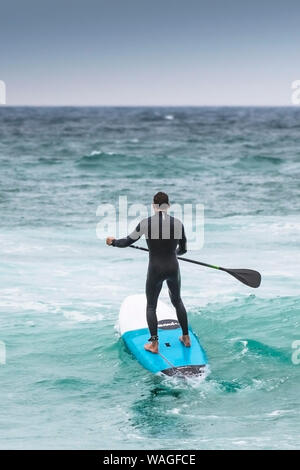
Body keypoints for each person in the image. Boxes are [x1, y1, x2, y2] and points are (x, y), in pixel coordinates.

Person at [106, 192, 191, 354]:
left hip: (156, 269)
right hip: (173, 267)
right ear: (168, 206)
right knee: (177, 301)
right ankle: (186, 337)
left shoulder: (146, 223)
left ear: (153, 205)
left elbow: (127, 242)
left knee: (151, 306)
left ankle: (154, 344)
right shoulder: (178, 224)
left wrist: (113, 242)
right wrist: (174, 254)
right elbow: (184, 250)